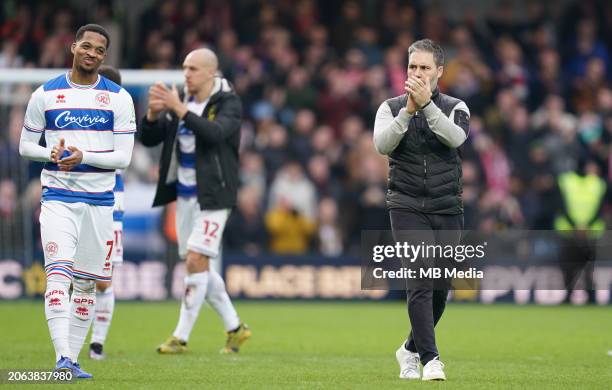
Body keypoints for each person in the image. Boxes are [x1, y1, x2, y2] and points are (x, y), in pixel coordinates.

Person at [18, 24, 135, 378]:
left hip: (100, 202)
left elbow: (123, 158)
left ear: (104, 56)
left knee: (86, 283)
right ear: (73, 47)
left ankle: (75, 360)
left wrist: (83, 154)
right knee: (58, 272)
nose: (92, 53)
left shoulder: (118, 98)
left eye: (100, 50)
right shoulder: (46, 94)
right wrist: (49, 154)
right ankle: (62, 358)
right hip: (58, 197)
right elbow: (25, 145)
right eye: (87, 46)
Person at [138, 48, 251, 354]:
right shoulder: (183, 101)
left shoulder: (227, 101)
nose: (186, 73)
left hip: (215, 196)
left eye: (193, 69)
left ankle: (181, 336)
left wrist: (178, 109)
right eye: (185, 67)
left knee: (194, 260)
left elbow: (215, 134)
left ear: (211, 73)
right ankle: (235, 327)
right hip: (186, 197)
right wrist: (152, 115)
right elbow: (149, 139)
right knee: (198, 264)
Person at [373, 39, 470, 381]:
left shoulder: (457, 106)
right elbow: (382, 144)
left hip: (447, 207)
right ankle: (430, 359)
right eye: (412, 66)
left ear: (439, 72)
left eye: (425, 68)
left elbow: (455, 138)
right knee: (419, 281)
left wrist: (427, 106)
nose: (417, 73)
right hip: (406, 204)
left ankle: (409, 350)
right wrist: (408, 112)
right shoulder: (390, 107)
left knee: (441, 286)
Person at [86, 65, 126, 360]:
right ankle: (71, 339)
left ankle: (97, 342)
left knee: (103, 279)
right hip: (77, 195)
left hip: (111, 200)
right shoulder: (80, 115)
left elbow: (121, 160)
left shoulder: (122, 116)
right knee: (80, 276)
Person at [554, 158, 607, 304]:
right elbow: (561, 205)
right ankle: (569, 295)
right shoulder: (566, 181)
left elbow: (601, 208)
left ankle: (591, 296)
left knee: (588, 267)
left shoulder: (599, 184)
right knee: (569, 266)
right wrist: (577, 225)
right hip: (570, 231)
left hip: (589, 232)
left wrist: (584, 226)